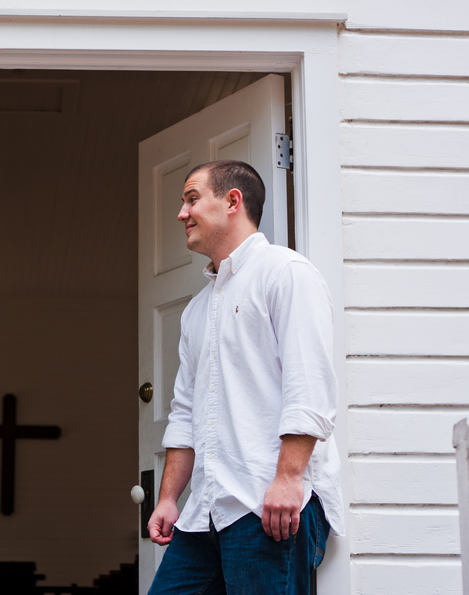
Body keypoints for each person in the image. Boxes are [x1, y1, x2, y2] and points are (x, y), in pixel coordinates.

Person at [146, 160, 344, 594]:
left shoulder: (286, 274)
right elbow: (184, 412)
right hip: (205, 514)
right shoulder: (197, 309)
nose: (182, 213)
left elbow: (308, 385)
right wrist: (168, 498)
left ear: (233, 201)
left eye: (192, 198)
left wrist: (289, 478)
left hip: (267, 505)